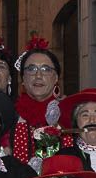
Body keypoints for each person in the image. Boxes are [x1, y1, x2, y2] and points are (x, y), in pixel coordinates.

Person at [11, 36, 70, 165]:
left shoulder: (69, 115)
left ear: (56, 78)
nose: (38, 76)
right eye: (31, 69)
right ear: (23, 78)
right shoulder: (11, 117)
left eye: (45, 69)